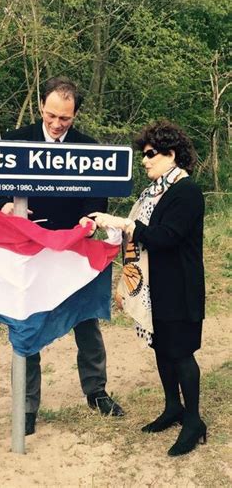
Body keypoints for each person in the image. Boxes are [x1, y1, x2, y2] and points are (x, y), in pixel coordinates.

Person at [0, 76, 124, 436]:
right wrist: (4, 204)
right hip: (29, 251)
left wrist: (90, 216)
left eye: (64, 118)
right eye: (51, 115)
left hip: (75, 250)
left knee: (87, 322)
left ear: (75, 114)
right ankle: (28, 406)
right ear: (40, 107)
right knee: (27, 323)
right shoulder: (15, 141)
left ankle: (96, 392)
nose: (55, 124)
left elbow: (99, 196)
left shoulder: (89, 147)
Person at [91, 119, 206, 457]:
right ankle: (173, 407)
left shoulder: (186, 192)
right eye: (143, 154)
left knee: (182, 353)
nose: (144, 160)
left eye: (150, 154)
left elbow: (166, 237)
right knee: (161, 347)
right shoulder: (151, 194)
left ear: (171, 154)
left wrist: (128, 225)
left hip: (179, 286)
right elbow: (137, 238)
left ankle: (194, 420)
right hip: (153, 286)